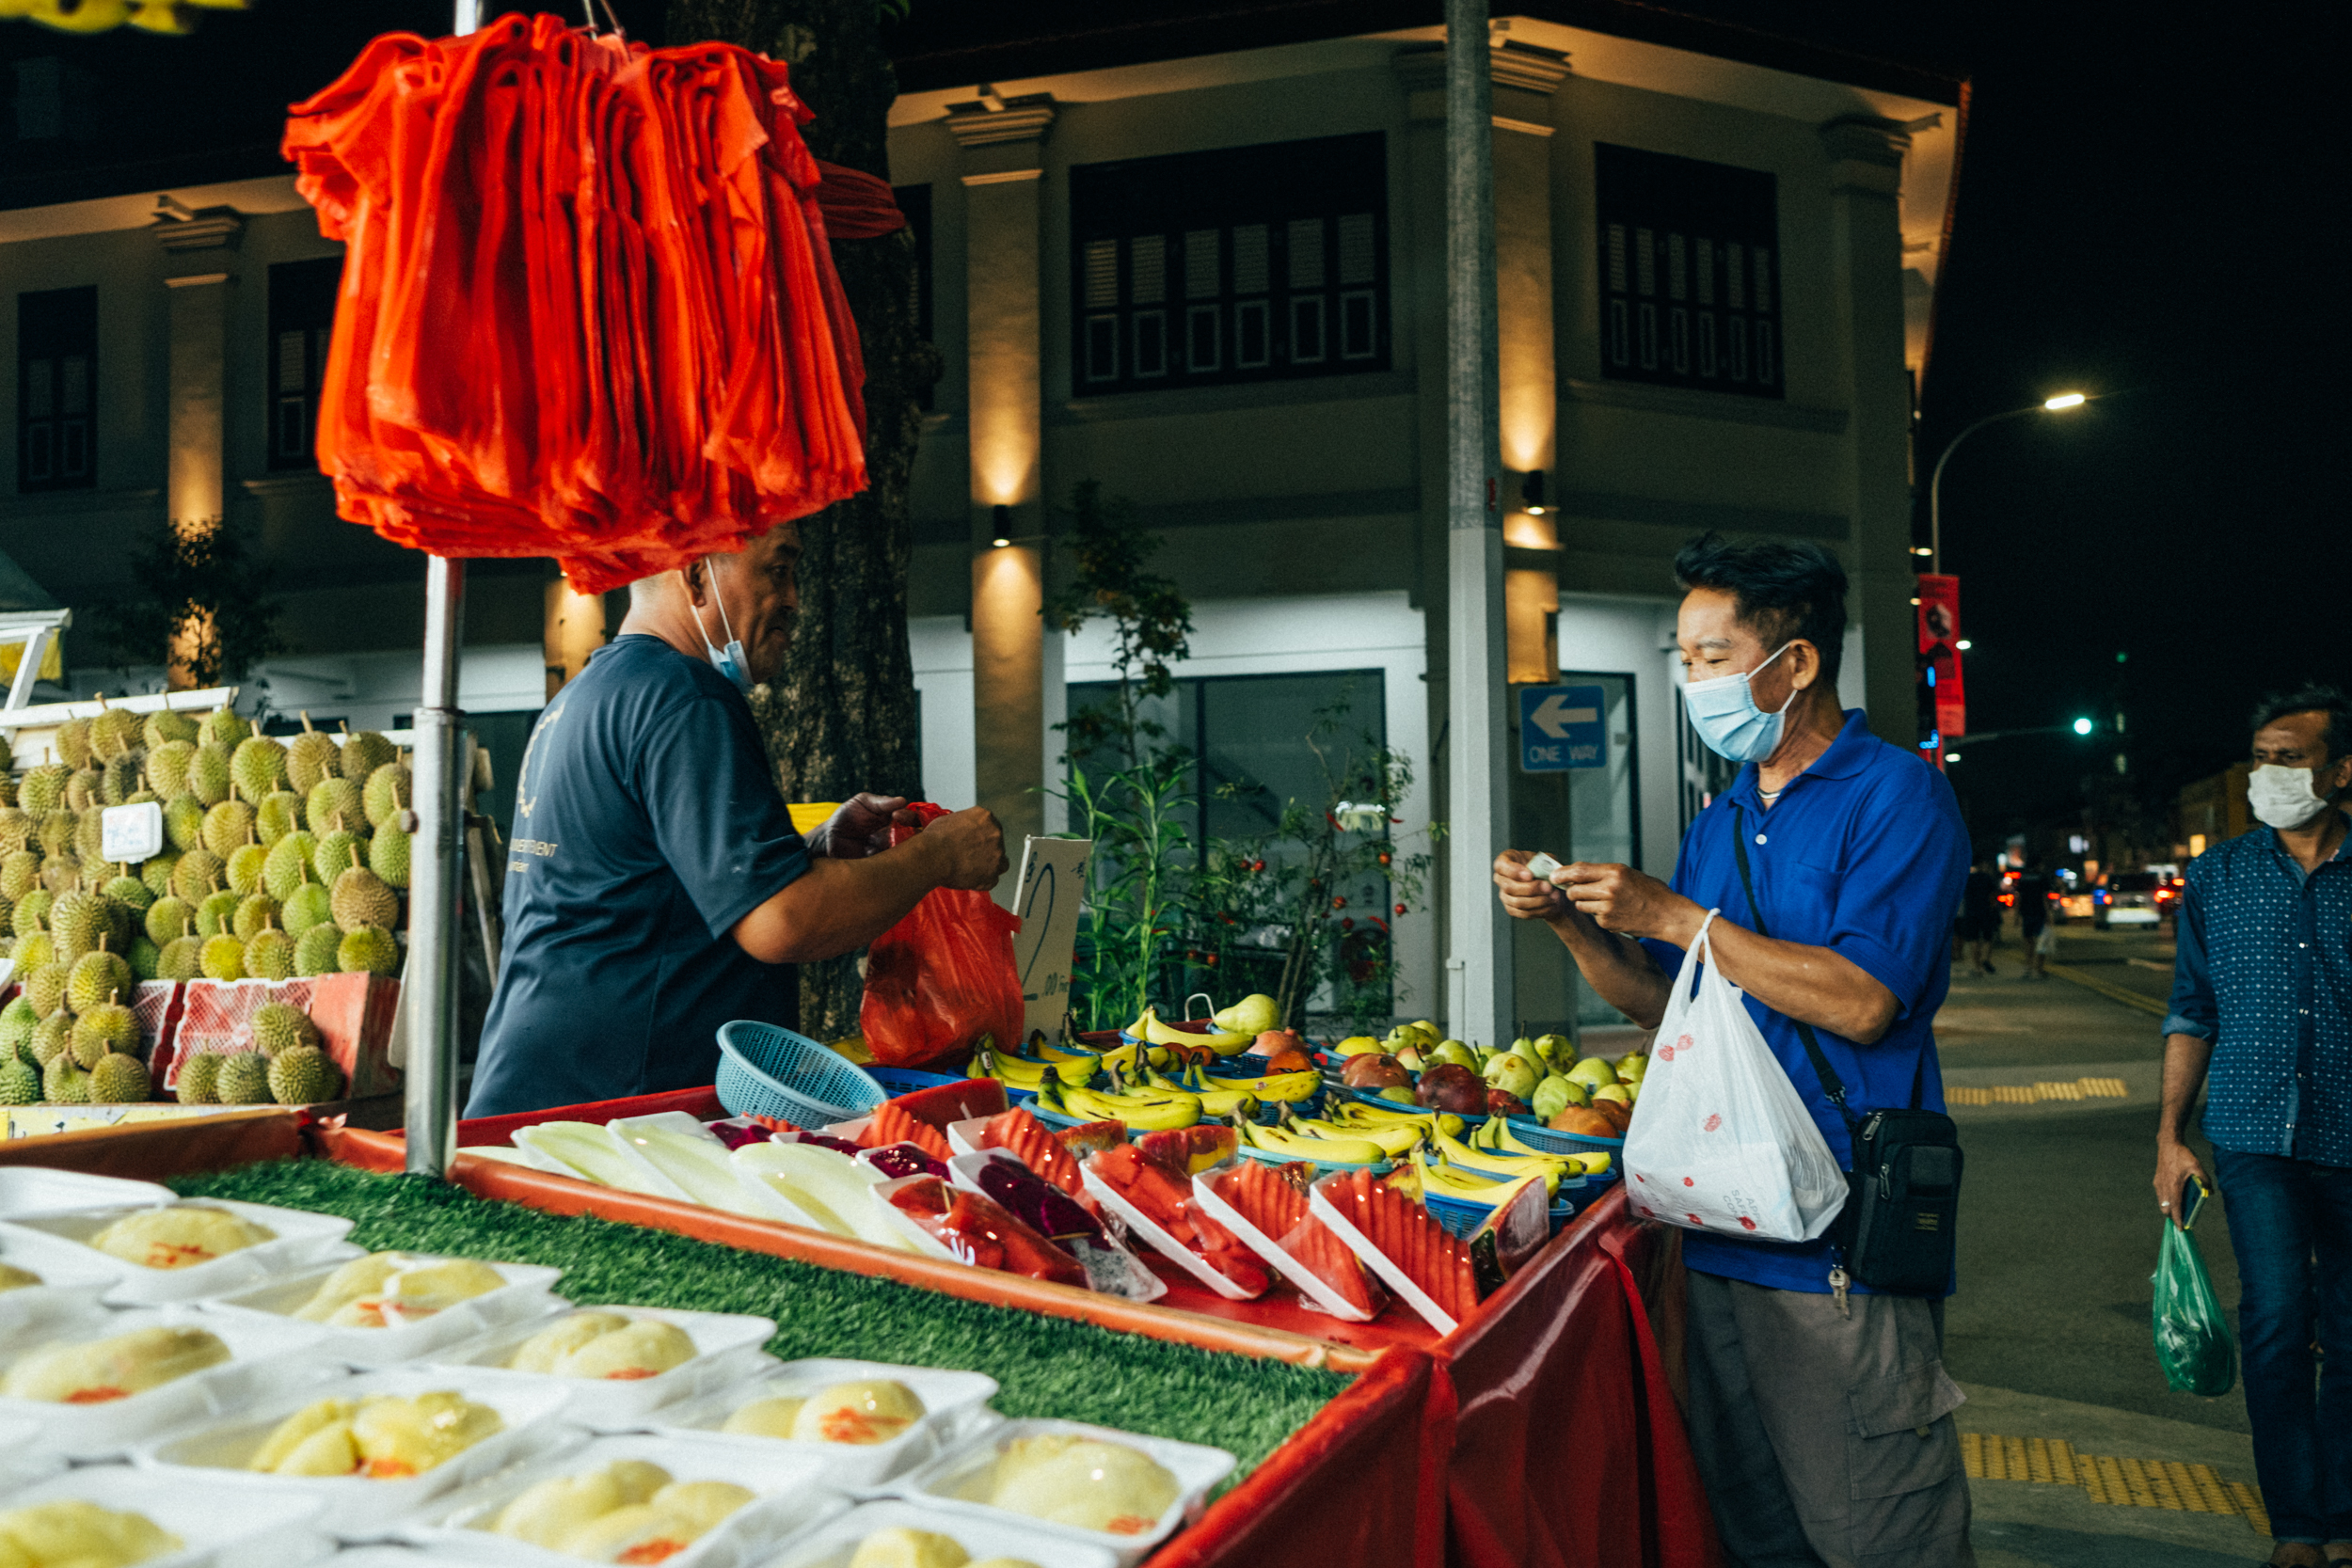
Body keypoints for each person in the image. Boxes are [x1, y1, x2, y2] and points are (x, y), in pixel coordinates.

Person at [1494, 533, 1973, 1568]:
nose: (1691, 680)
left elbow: (1860, 1001)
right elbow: (1674, 1004)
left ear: (1793, 662)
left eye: (1712, 656)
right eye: (1684, 659)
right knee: (1748, 1530)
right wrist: (1574, 924)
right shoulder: (1720, 816)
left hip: (1838, 1245)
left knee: (1876, 1530)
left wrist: (1674, 915)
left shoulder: (1896, 795)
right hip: (1713, 1233)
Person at [467, 522, 1009, 1117]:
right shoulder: (685, 697)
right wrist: (938, 856)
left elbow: (646, 889)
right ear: (698, 575)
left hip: (542, 1096)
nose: (794, 598)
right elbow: (782, 921)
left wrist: (811, 850)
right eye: (777, 570)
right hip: (613, 1112)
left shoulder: (590, 693)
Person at [2154, 682, 2352, 1568]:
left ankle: (2341, 1512)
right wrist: (2169, 1136)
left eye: (2291, 757)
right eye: (2261, 757)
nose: (2269, 773)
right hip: (2252, 1136)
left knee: (2349, 1333)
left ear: (2342, 770)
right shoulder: (2219, 875)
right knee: (2275, 1319)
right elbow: (2191, 1009)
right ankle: (2297, 1527)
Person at [2012, 853, 2053, 980]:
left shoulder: (2023, 878)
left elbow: (2019, 897)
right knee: (2042, 942)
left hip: (2026, 913)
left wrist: (2016, 916)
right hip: (2039, 912)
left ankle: (2028, 969)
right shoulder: (2042, 877)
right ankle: (2039, 969)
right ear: (2037, 864)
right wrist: (2049, 914)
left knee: (2028, 942)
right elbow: (2045, 898)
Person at [1960, 855, 2000, 975]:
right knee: (1988, 937)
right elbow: (1993, 895)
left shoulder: (1968, 879)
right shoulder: (1987, 878)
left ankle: (1977, 967)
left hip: (1971, 912)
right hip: (1986, 911)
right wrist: (1992, 907)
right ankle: (1986, 959)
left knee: (1974, 940)